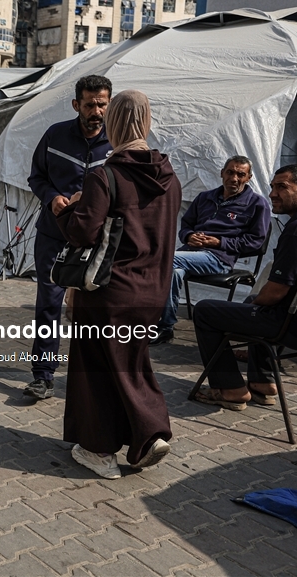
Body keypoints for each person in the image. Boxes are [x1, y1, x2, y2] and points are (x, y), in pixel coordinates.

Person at [56, 90, 182, 479]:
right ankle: (146, 436)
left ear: (113, 122)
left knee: (94, 370)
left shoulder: (106, 175)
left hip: (108, 291)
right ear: (146, 121)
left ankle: (101, 451)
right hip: (152, 290)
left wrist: (67, 210)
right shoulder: (170, 178)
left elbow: (82, 233)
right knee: (130, 363)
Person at [192, 164, 297, 410]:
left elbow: (275, 293)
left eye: (282, 187)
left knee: (205, 311)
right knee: (254, 304)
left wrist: (252, 310)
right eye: (272, 187)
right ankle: (262, 383)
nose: (273, 194)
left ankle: (230, 389)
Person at [24, 75, 114, 400]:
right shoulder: (55, 136)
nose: (96, 111)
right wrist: (52, 197)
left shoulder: (117, 144)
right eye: (90, 104)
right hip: (54, 234)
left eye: (102, 104)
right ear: (77, 104)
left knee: (96, 308)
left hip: (97, 240)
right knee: (49, 303)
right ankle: (43, 376)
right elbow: (36, 177)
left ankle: (91, 380)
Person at [152, 156, 271, 343]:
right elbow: (186, 225)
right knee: (172, 271)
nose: (234, 178)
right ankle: (166, 327)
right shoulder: (205, 197)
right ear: (222, 173)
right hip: (190, 253)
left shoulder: (256, 204)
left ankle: (141, 313)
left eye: (241, 174)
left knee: (165, 258)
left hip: (219, 258)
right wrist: (189, 236)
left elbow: (255, 241)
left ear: (249, 178)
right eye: (230, 172)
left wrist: (219, 242)